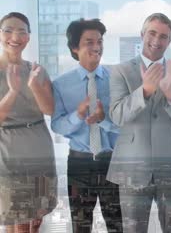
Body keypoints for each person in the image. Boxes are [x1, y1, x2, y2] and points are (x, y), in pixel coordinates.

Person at [106, 13, 171, 233]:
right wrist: (144, 91)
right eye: (152, 33)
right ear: (142, 35)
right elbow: (117, 116)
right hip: (132, 168)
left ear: (170, 41)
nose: (157, 40)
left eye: (164, 36)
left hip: (170, 167)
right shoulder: (121, 71)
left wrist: (170, 97)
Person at [51, 18, 123, 232]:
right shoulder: (61, 85)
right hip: (79, 164)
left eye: (99, 41)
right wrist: (78, 114)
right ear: (75, 48)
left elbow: (127, 125)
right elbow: (57, 126)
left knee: (117, 225)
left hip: (112, 161)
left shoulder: (116, 79)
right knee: (80, 226)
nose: (96, 47)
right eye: (89, 42)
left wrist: (104, 121)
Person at [0, 12, 57, 232]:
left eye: (22, 31)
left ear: (29, 37)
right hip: (9, 149)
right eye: (8, 30)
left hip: (39, 147)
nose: (15, 36)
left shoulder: (37, 70)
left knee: (36, 216)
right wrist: (13, 91)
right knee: (16, 216)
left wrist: (34, 85)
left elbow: (49, 109)